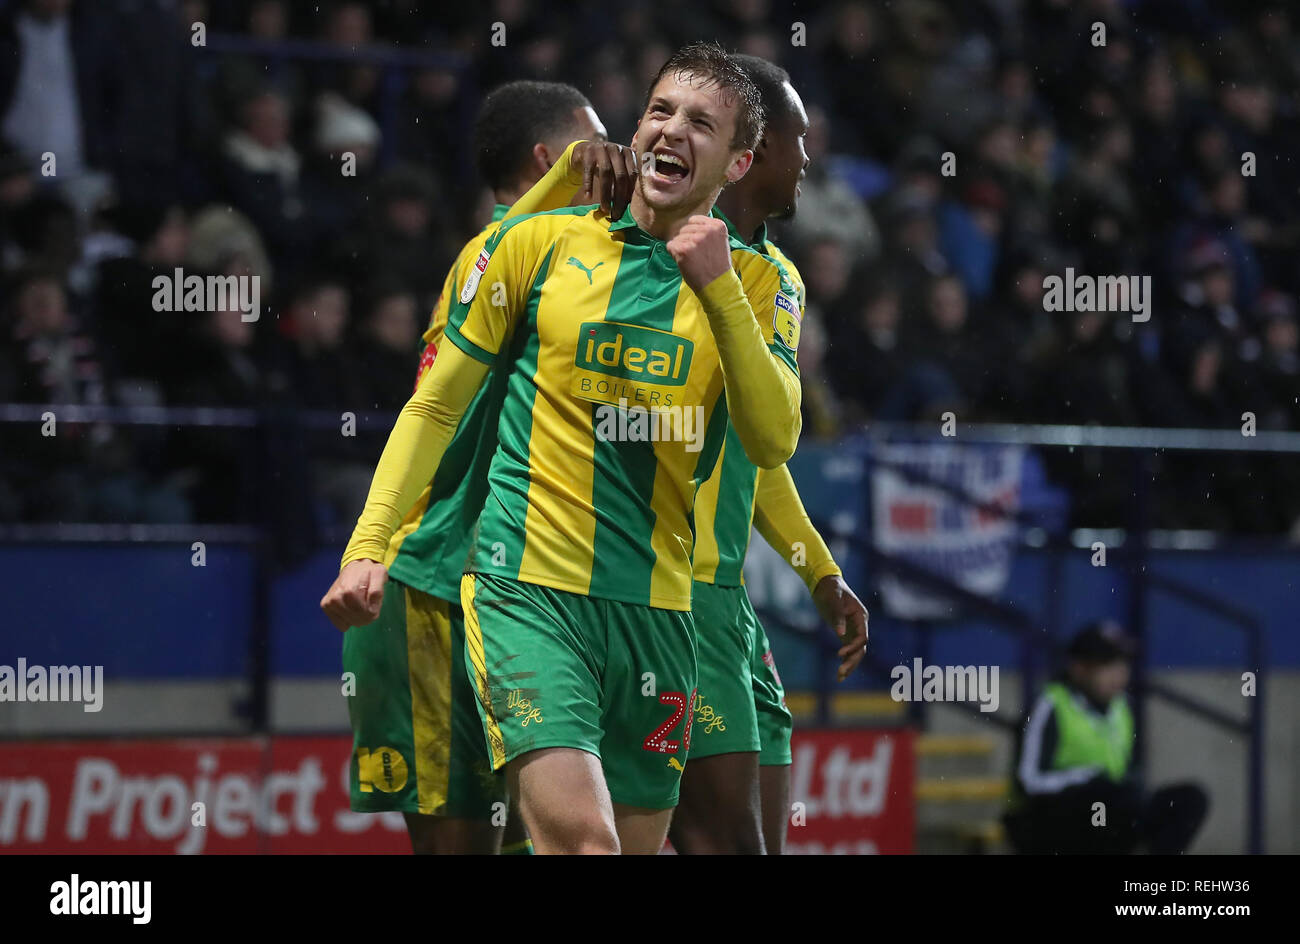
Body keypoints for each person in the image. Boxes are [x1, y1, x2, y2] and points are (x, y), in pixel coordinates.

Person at [323, 42, 800, 854]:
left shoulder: (760, 282)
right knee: (588, 845)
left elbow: (772, 436)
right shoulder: (538, 244)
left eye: (700, 123)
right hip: (524, 590)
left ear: (738, 160)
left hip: (657, 612)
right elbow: (434, 406)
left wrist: (718, 290)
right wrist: (369, 543)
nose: (670, 131)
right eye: (659, 111)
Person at [332, 79, 630, 855]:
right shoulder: (496, 259)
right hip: (432, 584)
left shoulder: (576, 268)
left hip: (522, 593)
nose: (617, 159)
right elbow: (430, 416)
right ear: (551, 160)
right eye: (594, 144)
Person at [669, 54, 869, 856]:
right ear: (753, 152)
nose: (810, 160)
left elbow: (761, 452)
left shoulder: (774, 276)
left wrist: (818, 571)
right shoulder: (662, 259)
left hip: (726, 601)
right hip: (666, 595)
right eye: (801, 140)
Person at [1004, 620, 1209, 854]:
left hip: (1111, 809)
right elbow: (1028, 780)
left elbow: (1130, 772)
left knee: (1189, 799)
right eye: (1107, 665)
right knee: (1103, 800)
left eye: (1123, 665)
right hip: (1048, 818)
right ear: (1079, 668)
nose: (1119, 674)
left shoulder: (1122, 708)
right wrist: (1088, 779)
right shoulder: (1050, 705)